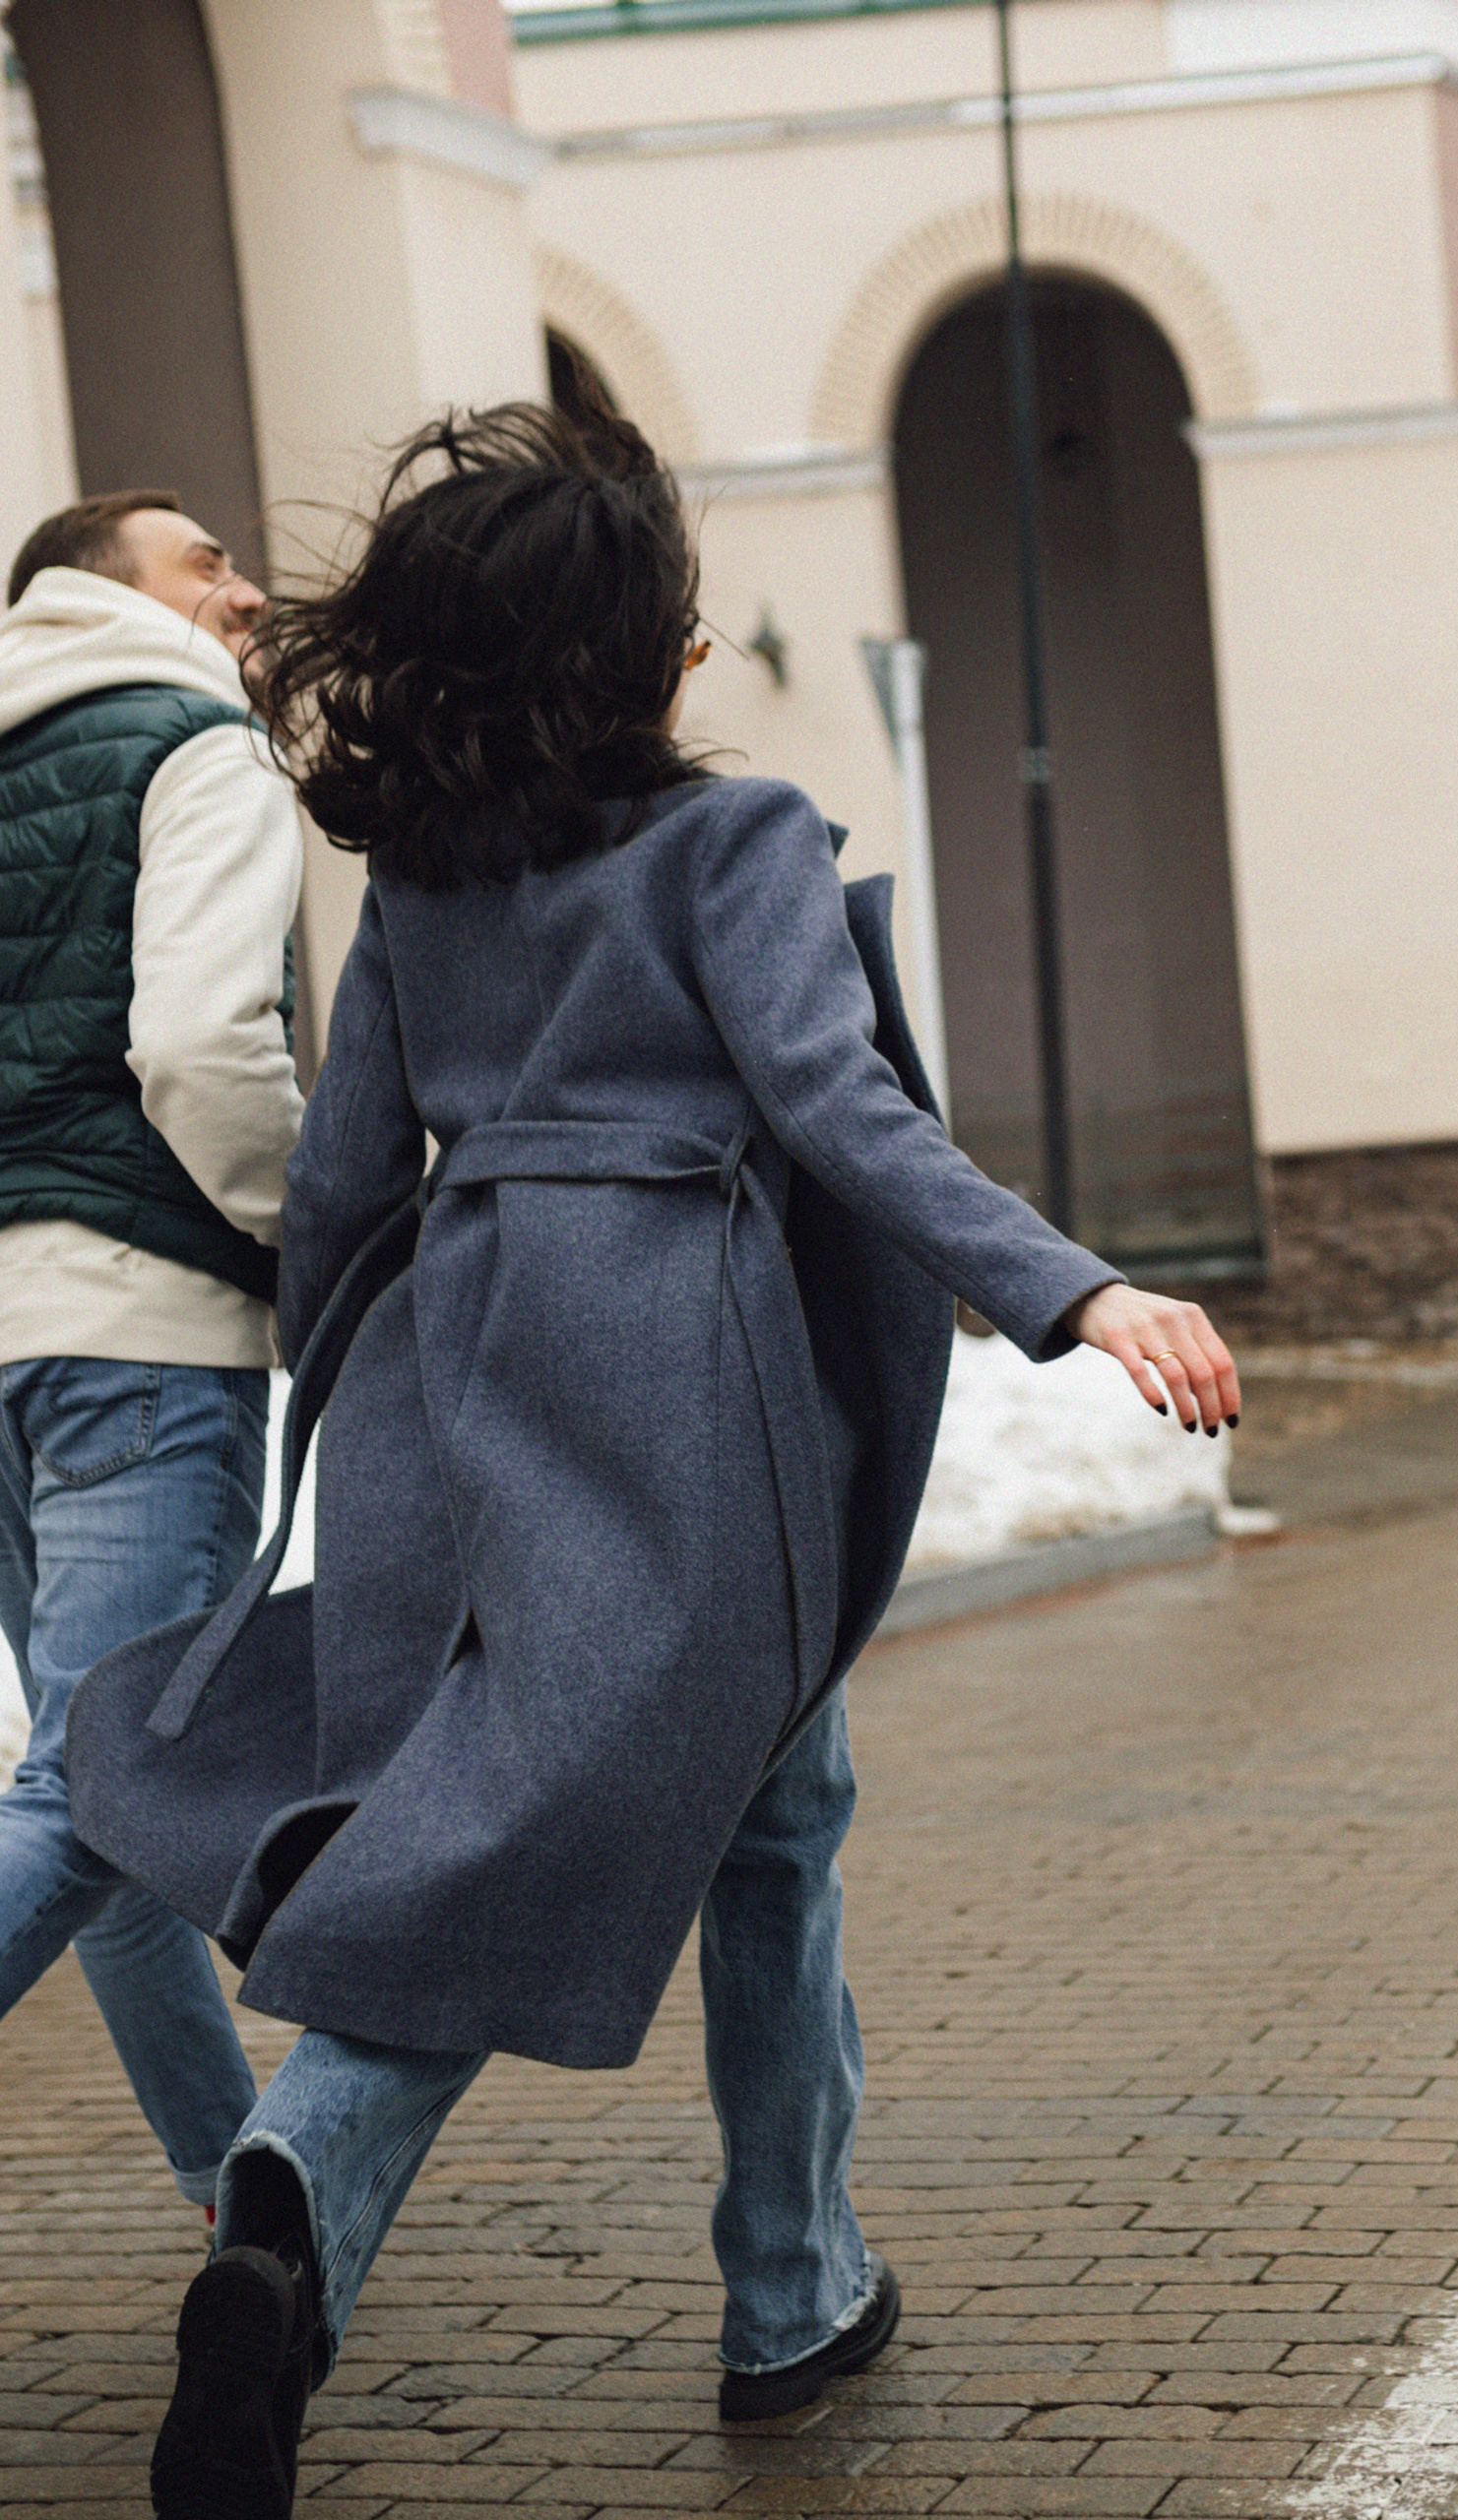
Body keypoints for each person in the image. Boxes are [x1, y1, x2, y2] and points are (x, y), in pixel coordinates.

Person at [64, 404, 1239, 2520]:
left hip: (457, 1368)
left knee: (507, 1808)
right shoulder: (740, 840)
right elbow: (840, 1106)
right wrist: (1074, 1291)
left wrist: (322, 1423)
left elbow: (341, 1185)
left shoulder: (419, 882)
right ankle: (784, 2287)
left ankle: (285, 2205)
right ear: (630, 662)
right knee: (769, 1824)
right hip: (687, 1386)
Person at [0, 492, 301, 2218]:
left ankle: (232, 2173)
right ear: (95, 594)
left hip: (9, 1338)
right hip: (134, 1331)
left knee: (94, 1773)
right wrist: (296, 1225)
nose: (244, 590)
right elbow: (199, 1040)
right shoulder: (193, 744)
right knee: (99, 1791)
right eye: (205, 561)